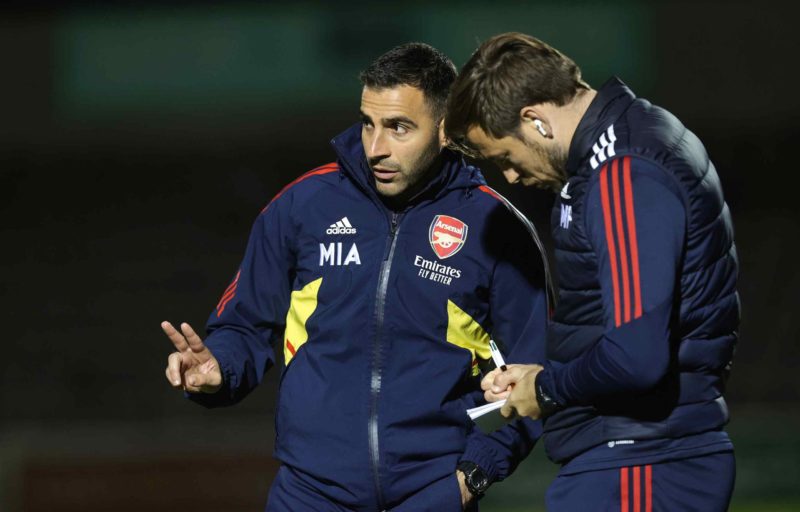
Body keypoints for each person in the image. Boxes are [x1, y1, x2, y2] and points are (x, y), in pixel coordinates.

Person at [162, 42, 551, 511]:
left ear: (446, 129)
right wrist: (218, 369)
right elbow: (245, 326)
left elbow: (538, 372)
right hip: (308, 494)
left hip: (433, 496)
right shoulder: (302, 206)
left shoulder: (498, 228)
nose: (376, 148)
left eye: (399, 128)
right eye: (369, 123)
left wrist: (472, 475)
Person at [445, 32, 740, 511]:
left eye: (504, 157)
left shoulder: (623, 169)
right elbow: (620, 332)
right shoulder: (629, 144)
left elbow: (636, 356)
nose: (511, 177)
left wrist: (545, 388)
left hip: (640, 465)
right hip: (639, 461)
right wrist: (543, 374)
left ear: (535, 119)